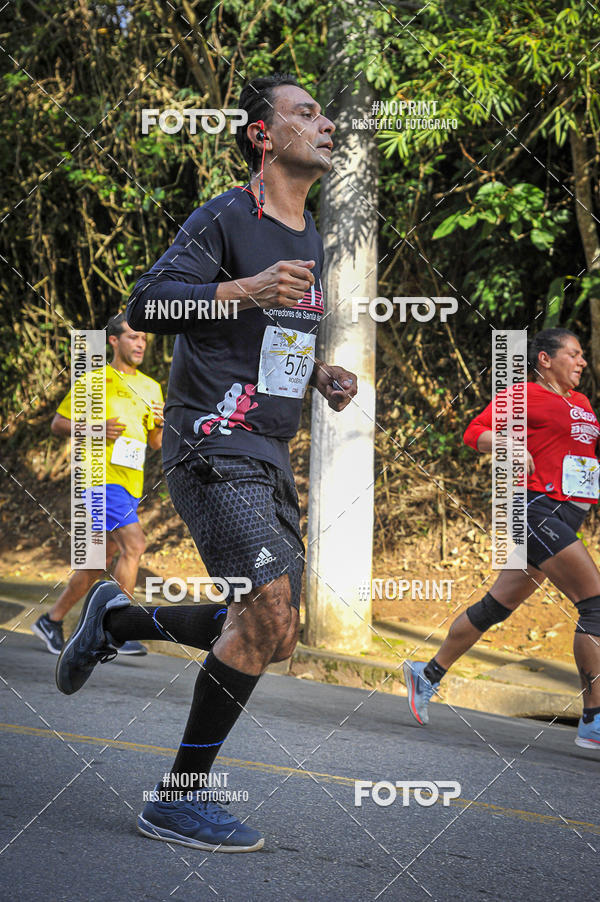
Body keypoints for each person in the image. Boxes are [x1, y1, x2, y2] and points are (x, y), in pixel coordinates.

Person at [56, 72, 358, 852]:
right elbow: (149, 304)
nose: (324, 123)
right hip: (209, 441)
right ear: (263, 134)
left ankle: (118, 618)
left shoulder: (312, 235)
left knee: (276, 630)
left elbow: (279, 334)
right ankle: (177, 798)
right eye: (306, 112)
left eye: (324, 113)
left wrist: (319, 372)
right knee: (264, 609)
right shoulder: (227, 214)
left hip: (269, 447)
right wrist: (244, 288)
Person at [403, 328, 600, 750]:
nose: (583, 362)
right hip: (536, 511)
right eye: (574, 354)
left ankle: (428, 673)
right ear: (545, 359)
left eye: (583, 356)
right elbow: (475, 433)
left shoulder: (581, 403)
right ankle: (594, 719)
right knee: (595, 602)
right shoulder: (524, 393)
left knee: (497, 605)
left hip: (567, 515)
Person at [33, 313, 164, 656]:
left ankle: (51, 618)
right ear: (114, 341)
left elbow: (155, 442)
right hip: (98, 478)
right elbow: (58, 424)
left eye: (144, 340)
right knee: (134, 545)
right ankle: (115, 628)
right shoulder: (94, 381)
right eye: (133, 337)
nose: (139, 344)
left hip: (130, 483)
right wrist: (96, 429)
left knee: (99, 559)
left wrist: (162, 423)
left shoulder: (152, 386)